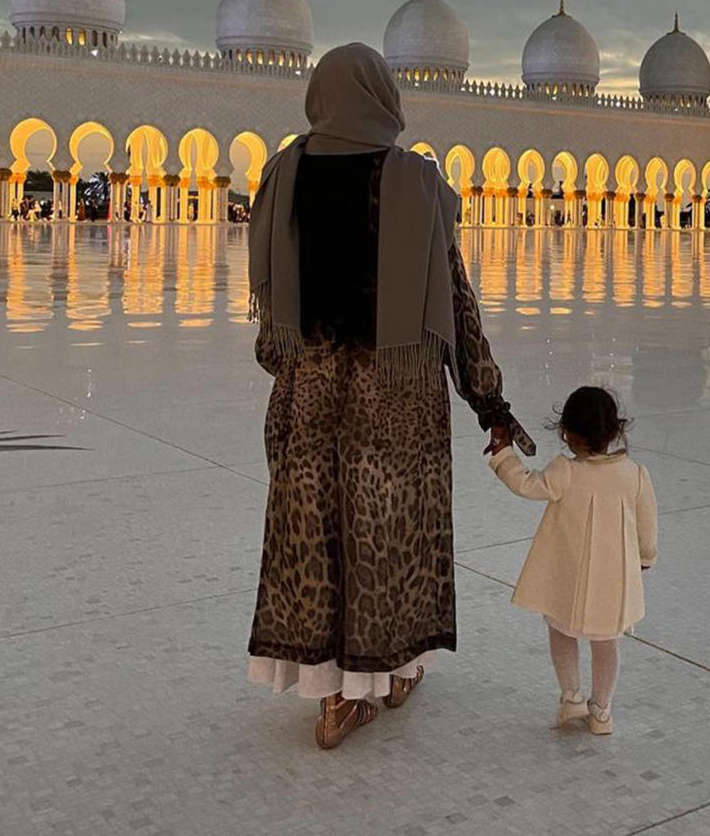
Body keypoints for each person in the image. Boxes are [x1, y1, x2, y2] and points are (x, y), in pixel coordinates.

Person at [245, 43, 532, 751]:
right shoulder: (415, 182)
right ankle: (390, 678)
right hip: (396, 402)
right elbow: (456, 308)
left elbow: (269, 334)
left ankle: (330, 701)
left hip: (308, 397)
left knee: (315, 541)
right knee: (390, 539)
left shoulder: (283, 175)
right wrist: (489, 404)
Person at [488, 386, 657, 736]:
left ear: (566, 433)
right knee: (607, 641)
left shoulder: (565, 471)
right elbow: (647, 522)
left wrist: (504, 453)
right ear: (615, 430)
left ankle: (571, 697)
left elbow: (526, 484)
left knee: (562, 631)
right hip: (612, 581)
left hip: (568, 579)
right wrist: (644, 556)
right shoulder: (635, 475)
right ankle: (602, 710)